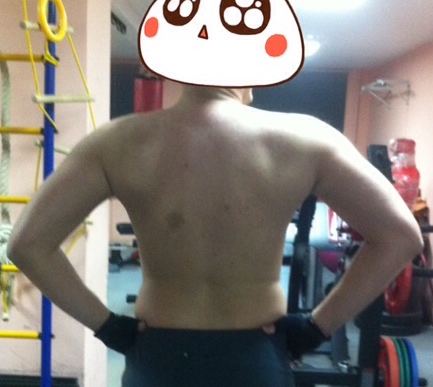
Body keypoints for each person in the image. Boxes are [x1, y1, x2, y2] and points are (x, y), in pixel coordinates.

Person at [7, 84, 423, 386]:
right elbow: (400, 237)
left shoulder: (115, 142)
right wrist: (315, 329)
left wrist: (109, 328)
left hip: (159, 359)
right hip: (255, 360)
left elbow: (27, 245)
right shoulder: (307, 138)